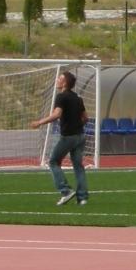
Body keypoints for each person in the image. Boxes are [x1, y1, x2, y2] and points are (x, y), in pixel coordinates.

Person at [30, 71, 89, 206]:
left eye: (59, 79)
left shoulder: (61, 97)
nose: (57, 80)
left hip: (68, 137)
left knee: (53, 162)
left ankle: (65, 190)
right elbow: (86, 118)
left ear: (65, 83)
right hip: (80, 136)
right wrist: (77, 125)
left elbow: (57, 114)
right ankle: (82, 198)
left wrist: (39, 122)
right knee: (78, 167)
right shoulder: (78, 98)